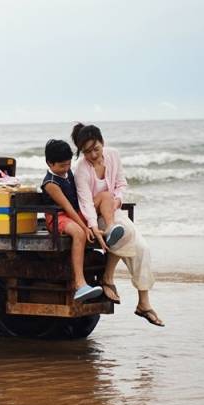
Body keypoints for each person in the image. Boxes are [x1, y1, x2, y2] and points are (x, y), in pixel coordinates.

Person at [72, 123, 164, 327]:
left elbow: (121, 184)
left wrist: (118, 200)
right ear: (81, 152)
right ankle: (107, 277)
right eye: (87, 152)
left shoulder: (113, 155)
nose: (93, 155)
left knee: (143, 249)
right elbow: (85, 201)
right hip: (95, 215)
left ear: (102, 143)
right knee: (126, 234)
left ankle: (143, 302)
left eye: (96, 149)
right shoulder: (81, 168)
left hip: (113, 211)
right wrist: (93, 226)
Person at [41, 139, 103, 302]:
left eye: (68, 164)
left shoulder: (69, 173)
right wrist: (85, 226)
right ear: (49, 163)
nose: (66, 169)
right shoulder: (51, 183)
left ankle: (109, 232)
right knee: (79, 233)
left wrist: (91, 221)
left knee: (102, 199)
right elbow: (67, 208)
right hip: (57, 217)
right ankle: (80, 284)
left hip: (74, 213)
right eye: (61, 166)